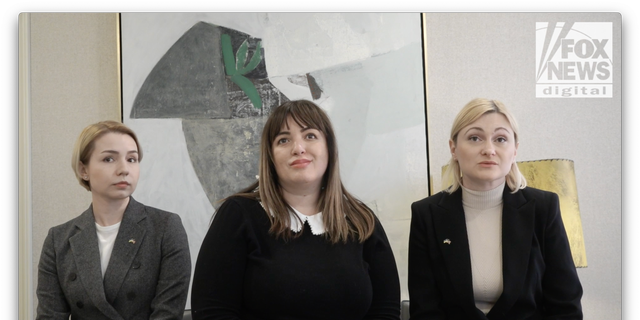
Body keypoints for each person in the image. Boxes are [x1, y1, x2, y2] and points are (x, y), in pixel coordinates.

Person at [191, 99, 401, 320]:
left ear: (328, 147)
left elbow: (385, 311)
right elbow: (212, 312)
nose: (298, 148)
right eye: (283, 140)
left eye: (310, 135)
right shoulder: (238, 216)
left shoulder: (362, 220)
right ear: (271, 156)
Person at [408, 98, 583, 319]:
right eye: (474, 138)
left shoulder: (543, 208)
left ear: (515, 150)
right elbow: (425, 310)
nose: (489, 150)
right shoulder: (427, 214)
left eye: (500, 139)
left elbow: (565, 304)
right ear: (453, 148)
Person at [36, 120, 191, 320]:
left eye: (132, 159)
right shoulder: (58, 240)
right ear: (84, 170)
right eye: (109, 159)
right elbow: (50, 316)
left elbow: (168, 314)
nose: (124, 169)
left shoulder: (165, 228)